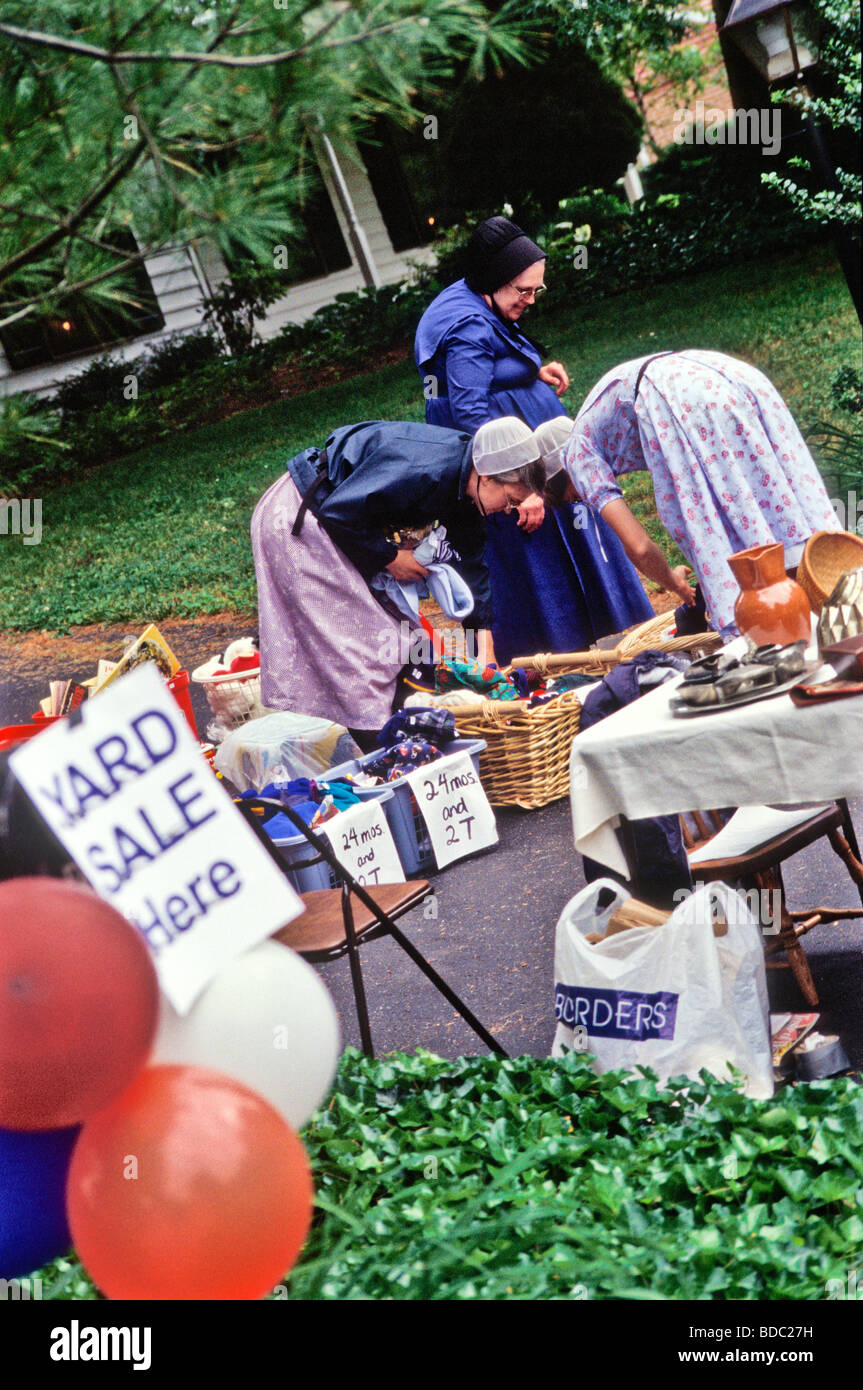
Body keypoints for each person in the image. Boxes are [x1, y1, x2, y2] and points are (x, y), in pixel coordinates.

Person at [414, 215, 653, 663]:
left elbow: (485, 368)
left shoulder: (477, 300)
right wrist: (522, 488)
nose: (531, 299)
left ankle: (601, 648)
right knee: (539, 563)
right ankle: (558, 662)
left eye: (535, 290)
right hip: (509, 467)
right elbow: (469, 414)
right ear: (492, 280)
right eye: (523, 291)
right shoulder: (464, 328)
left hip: (525, 452)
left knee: (573, 543)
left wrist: (529, 372)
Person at [250, 417, 543, 743]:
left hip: (338, 521)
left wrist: (484, 650)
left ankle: (412, 744)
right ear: (487, 478)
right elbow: (340, 509)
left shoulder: (466, 486)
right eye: (512, 500)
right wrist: (391, 558)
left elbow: (471, 564)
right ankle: (389, 761)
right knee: (361, 653)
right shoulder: (426, 468)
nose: (509, 510)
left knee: (408, 646)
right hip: (302, 518)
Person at [540, 349, 842, 636]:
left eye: (575, 498)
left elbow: (639, 547)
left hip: (680, 398)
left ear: (558, 477)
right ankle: (823, 588)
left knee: (708, 518)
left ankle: (770, 611)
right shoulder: (592, 429)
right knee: (768, 493)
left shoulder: (575, 456)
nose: (582, 501)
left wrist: (675, 584)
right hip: (720, 375)